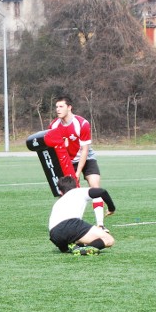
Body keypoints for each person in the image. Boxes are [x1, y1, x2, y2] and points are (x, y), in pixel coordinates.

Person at [48, 95, 108, 230]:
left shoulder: (82, 124)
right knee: (67, 192)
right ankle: (68, 221)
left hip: (86, 158)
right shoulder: (54, 125)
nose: (58, 109)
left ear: (69, 107)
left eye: (61, 106)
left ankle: (100, 224)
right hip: (67, 161)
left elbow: (85, 150)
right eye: (56, 107)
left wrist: (78, 172)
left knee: (95, 186)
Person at [48, 175, 115, 256]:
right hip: (71, 225)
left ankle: (71, 246)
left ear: (61, 191)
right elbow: (102, 192)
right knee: (109, 239)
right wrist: (111, 209)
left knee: (78, 239)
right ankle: (83, 250)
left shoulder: (58, 202)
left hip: (55, 235)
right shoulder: (77, 191)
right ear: (76, 186)